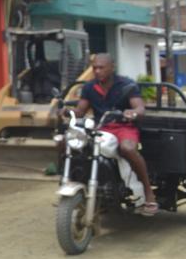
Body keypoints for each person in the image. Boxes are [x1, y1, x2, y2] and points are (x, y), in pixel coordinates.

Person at [66, 53, 157, 215]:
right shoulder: (89, 87)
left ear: (111, 68)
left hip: (124, 126)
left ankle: (148, 192)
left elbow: (140, 108)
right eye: (95, 68)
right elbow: (80, 110)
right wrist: (66, 111)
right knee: (70, 143)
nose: (97, 71)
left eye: (101, 67)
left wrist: (133, 112)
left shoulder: (126, 84)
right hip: (101, 127)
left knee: (128, 149)